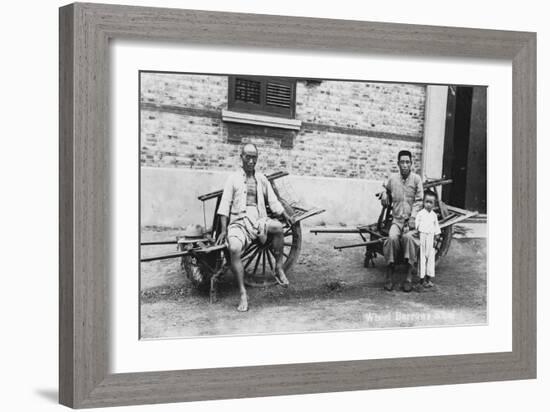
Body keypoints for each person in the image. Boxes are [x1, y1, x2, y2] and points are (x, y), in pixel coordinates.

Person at [215, 143, 294, 312]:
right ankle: (243, 293)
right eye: (247, 157)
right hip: (239, 221)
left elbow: (273, 201)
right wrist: (223, 230)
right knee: (234, 248)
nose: (251, 161)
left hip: (259, 219)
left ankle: (278, 267)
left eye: (254, 157)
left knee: (278, 227)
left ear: (257, 159)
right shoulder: (233, 178)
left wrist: (284, 213)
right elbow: (224, 205)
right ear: (241, 158)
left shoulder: (261, 179)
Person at [380, 150, 423, 292]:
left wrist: (413, 217)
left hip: (411, 221)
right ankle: (390, 273)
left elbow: (419, 201)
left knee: (409, 238)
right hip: (397, 220)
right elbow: (385, 187)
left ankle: (409, 276)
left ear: (411, 164)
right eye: (402, 162)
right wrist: (385, 193)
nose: (405, 165)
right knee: (391, 238)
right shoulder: (393, 179)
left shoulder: (416, 180)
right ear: (398, 164)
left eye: (407, 162)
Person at [415, 190, 441, 288]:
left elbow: (436, 227)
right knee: (422, 258)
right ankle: (421, 280)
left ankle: (428, 279)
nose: (428, 204)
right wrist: (418, 231)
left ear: (434, 204)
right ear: (423, 202)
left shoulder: (434, 215)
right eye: (427, 202)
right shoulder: (420, 214)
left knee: (430, 259)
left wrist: (436, 238)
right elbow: (417, 225)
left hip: (430, 238)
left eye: (431, 203)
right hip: (422, 238)